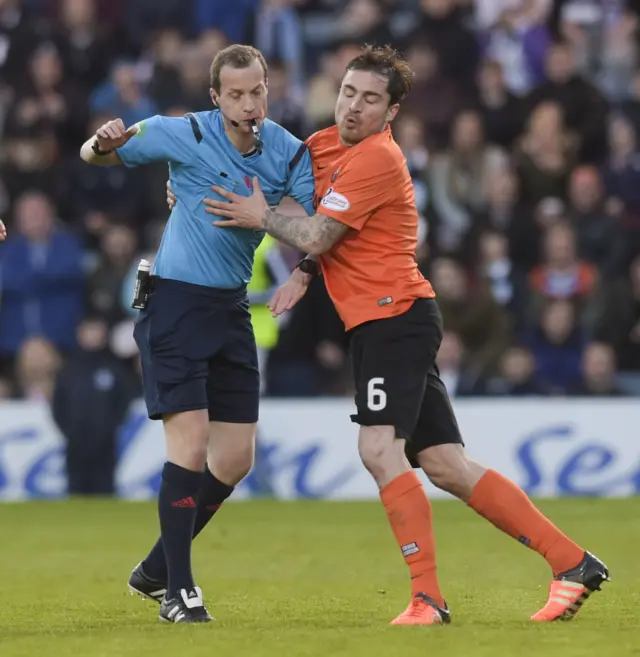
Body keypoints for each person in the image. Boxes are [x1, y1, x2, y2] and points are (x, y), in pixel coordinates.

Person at [198, 45, 609, 626]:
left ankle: (427, 599)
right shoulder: (320, 145)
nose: (353, 107)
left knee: (377, 449)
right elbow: (303, 212)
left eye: (370, 100)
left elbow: (317, 231)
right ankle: (572, 563)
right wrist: (295, 265)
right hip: (393, 318)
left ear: (390, 113)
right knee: (445, 464)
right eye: (347, 92)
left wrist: (261, 217)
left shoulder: (378, 159)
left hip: (393, 319)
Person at [79, 44, 315, 624]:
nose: (249, 103)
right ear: (215, 98)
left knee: (234, 459)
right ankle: (179, 592)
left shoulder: (287, 150)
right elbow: (94, 155)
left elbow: (314, 231)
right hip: (175, 304)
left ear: (269, 87)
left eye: (257, 90)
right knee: (188, 445)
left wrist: (267, 219)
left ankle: (157, 566)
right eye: (235, 94)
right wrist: (103, 142)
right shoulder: (181, 132)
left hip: (231, 308)